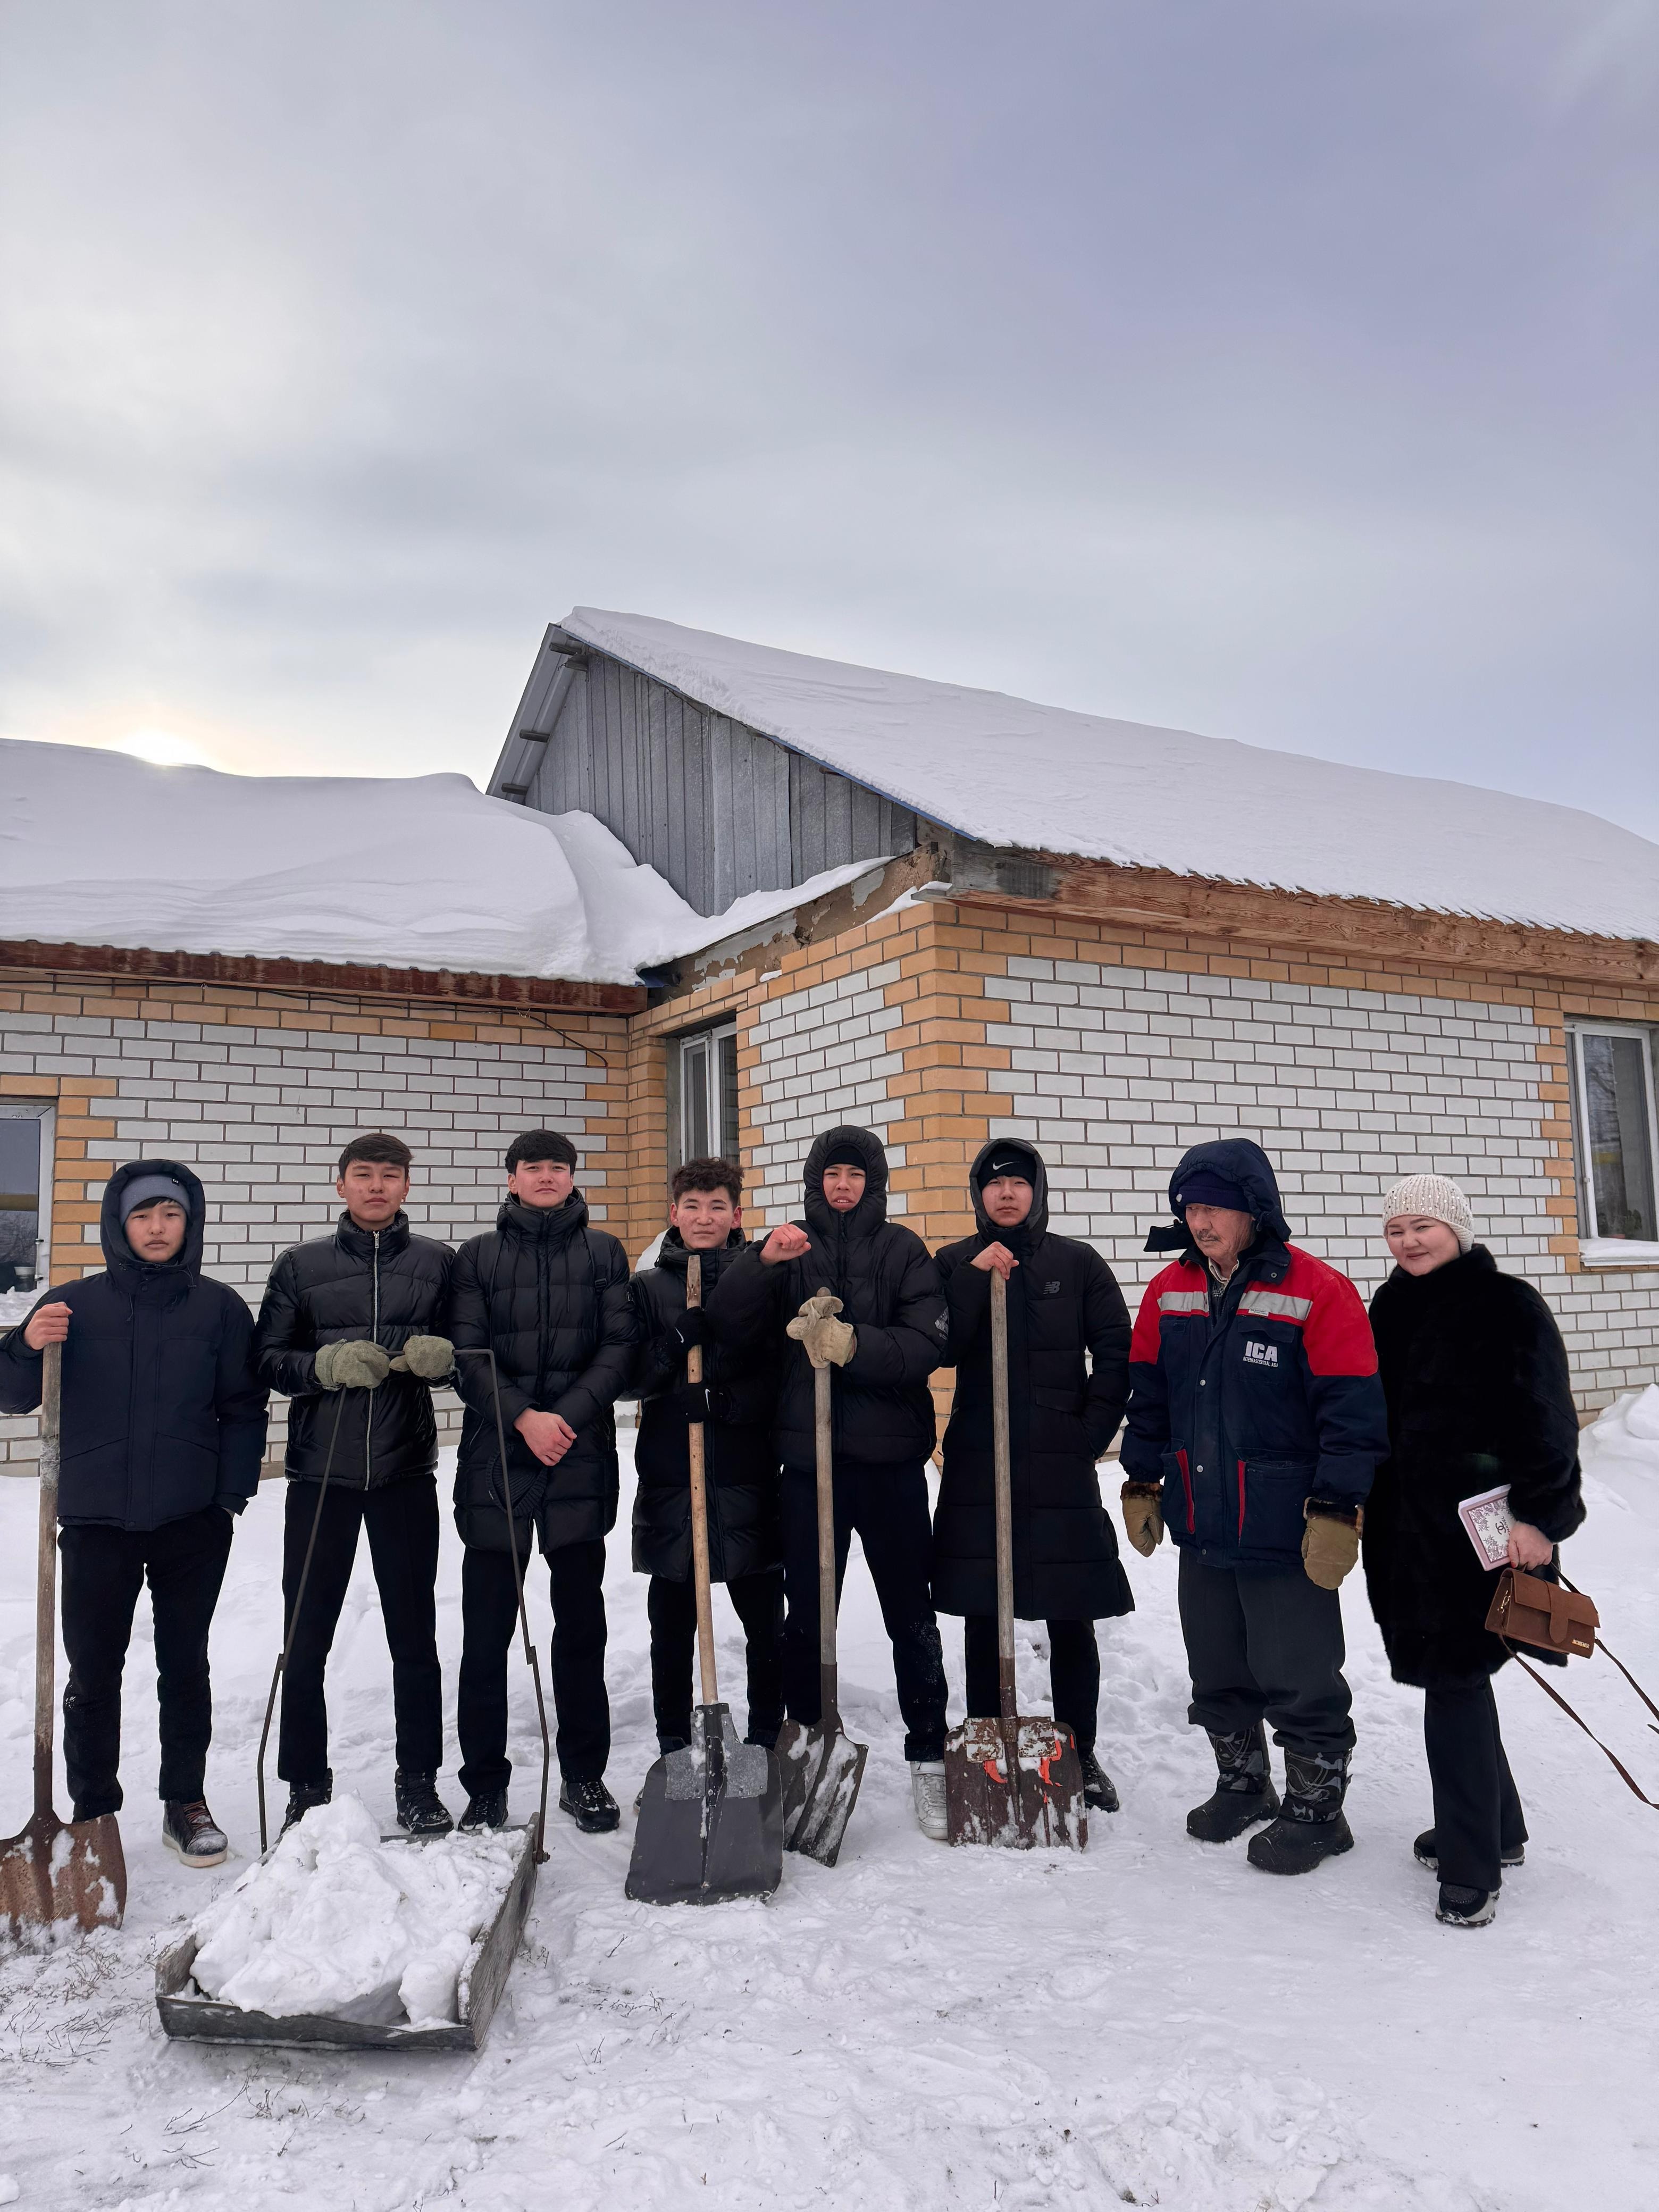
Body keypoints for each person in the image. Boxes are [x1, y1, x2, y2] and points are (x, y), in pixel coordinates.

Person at [1119, 1138, 1388, 1874]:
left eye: (1216, 1208)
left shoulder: (1318, 1289)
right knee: (1216, 1665)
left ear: (1254, 1212)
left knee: (1297, 1670)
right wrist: (1143, 1480)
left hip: (1283, 1523)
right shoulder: (1169, 1290)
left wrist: (1337, 1507)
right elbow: (1149, 1395)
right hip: (1202, 1516)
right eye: (1191, 1208)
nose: (1201, 1222)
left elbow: (1352, 1412)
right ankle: (1244, 1784)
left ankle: (1318, 1812)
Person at [0, 1161, 266, 1866]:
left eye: (170, 1214)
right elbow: (12, 1395)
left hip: (191, 1521)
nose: (157, 1227)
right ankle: (94, 1812)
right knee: (93, 1673)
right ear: (120, 1225)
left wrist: (228, 1498)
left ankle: (185, 1802)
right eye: (143, 1214)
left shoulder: (219, 1308)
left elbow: (243, 1408)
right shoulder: (71, 1304)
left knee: (186, 1667)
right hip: (95, 1522)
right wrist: (25, 1344)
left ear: (189, 1223)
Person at [707, 1124, 951, 1837]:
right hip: (809, 1466)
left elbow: (927, 1344)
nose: (842, 1186)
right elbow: (728, 1322)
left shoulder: (903, 1250)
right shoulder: (789, 1247)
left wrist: (853, 1344)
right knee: (809, 1617)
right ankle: (809, 1739)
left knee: (911, 1611)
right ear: (815, 1183)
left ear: (873, 1184)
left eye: (855, 1175)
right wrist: (760, 1261)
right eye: (831, 1175)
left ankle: (928, 1750)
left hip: (891, 1466)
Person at [1363, 1175, 1585, 1928]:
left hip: (1482, 1534)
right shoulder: (1390, 1306)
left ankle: (1470, 1869)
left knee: (1453, 1680)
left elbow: (1547, 1420)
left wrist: (1541, 1518)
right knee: (1456, 1676)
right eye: (1396, 1229)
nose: (1408, 1241)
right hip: (1405, 1531)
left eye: (1422, 1225)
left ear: (1456, 1228)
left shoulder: (1508, 1304)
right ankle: (1501, 1828)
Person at [255, 1132, 456, 1836]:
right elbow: (267, 1358)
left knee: (415, 1635)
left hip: (404, 1469)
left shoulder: (438, 1263)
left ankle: (419, 1780)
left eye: (389, 1175)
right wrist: (322, 1365)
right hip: (322, 1473)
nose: (376, 1186)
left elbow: (468, 1351)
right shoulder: (301, 1265)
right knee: (306, 1634)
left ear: (407, 1186)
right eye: (363, 1174)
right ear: (340, 1184)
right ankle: (305, 1784)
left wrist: (444, 1360)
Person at [932, 1141, 1134, 1812]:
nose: (1007, 1194)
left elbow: (1116, 1352)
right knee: (982, 1608)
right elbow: (942, 1345)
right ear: (978, 1194)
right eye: (995, 1184)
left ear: (1037, 1190)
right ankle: (988, 1744)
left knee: (1070, 1609)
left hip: (1057, 1461)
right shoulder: (953, 1262)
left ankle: (1080, 1749)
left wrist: (1086, 1436)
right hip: (978, 1458)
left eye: (1019, 1182)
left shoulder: (1077, 1263)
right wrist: (972, 1278)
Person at [449, 1129, 635, 1833]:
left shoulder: (604, 1252)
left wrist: (566, 1418)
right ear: (512, 1178)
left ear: (573, 1177)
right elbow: (468, 1353)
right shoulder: (478, 1257)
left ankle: (584, 1775)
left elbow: (618, 1347)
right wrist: (525, 1418)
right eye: (534, 1167)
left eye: (559, 1166)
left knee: (581, 1628)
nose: (548, 1176)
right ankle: (485, 1785)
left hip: (578, 1455)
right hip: (498, 1458)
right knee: (487, 1633)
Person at [630, 1157, 783, 1756]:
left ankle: (766, 1737)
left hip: (748, 1477)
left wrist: (726, 1401)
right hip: (672, 1478)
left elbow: (780, 1378)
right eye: (692, 1206)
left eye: (717, 1206)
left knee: (765, 1622)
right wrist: (674, 1344)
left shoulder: (765, 1281)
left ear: (736, 1215)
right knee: (671, 1627)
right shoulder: (646, 1288)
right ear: (674, 1213)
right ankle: (673, 1746)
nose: (703, 1217)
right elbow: (629, 1377)